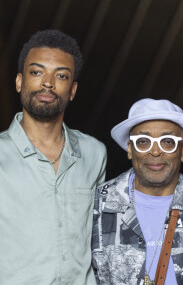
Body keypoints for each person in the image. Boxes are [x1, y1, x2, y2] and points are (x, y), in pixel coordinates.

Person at [0, 30, 107, 284]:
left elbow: (100, 238)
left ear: (72, 90)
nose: (48, 83)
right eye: (36, 72)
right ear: (19, 82)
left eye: (61, 75)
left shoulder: (94, 153)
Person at [92, 98, 183, 285]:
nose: (155, 151)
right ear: (129, 149)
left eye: (168, 142)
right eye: (143, 142)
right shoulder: (98, 204)